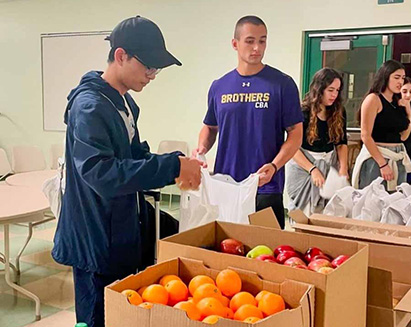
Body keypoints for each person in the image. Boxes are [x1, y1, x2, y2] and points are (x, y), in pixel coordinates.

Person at [51, 16, 202, 327]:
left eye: (157, 69)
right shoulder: (90, 107)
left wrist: (177, 162)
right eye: (148, 67)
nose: (152, 75)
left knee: (125, 313)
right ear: (121, 56)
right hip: (96, 239)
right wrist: (171, 167)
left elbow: (133, 156)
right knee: (98, 317)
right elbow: (101, 173)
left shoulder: (124, 103)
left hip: (121, 229)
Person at [193, 15, 303, 229]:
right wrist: (201, 150)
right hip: (226, 186)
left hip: (265, 186)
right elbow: (210, 126)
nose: (257, 48)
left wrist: (274, 165)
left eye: (262, 41)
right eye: (250, 41)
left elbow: (295, 134)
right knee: (228, 250)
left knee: (266, 252)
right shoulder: (219, 86)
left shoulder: (282, 84)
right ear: (235, 44)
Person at [286, 68, 348, 215]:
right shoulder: (302, 112)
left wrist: (343, 168)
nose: (334, 95)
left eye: (337, 90)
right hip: (303, 165)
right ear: (319, 89)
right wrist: (312, 169)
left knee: (328, 210)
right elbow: (292, 148)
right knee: (304, 211)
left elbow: (341, 142)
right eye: (330, 90)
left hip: (328, 163)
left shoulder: (338, 111)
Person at [352, 60, 411, 192]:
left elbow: (404, 136)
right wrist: (382, 163)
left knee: (395, 201)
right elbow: (365, 135)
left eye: (402, 78)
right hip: (377, 156)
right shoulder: (373, 99)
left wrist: (409, 113)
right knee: (372, 200)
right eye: (396, 77)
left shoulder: (398, 102)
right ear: (385, 77)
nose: (400, 82)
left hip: (398, 155)